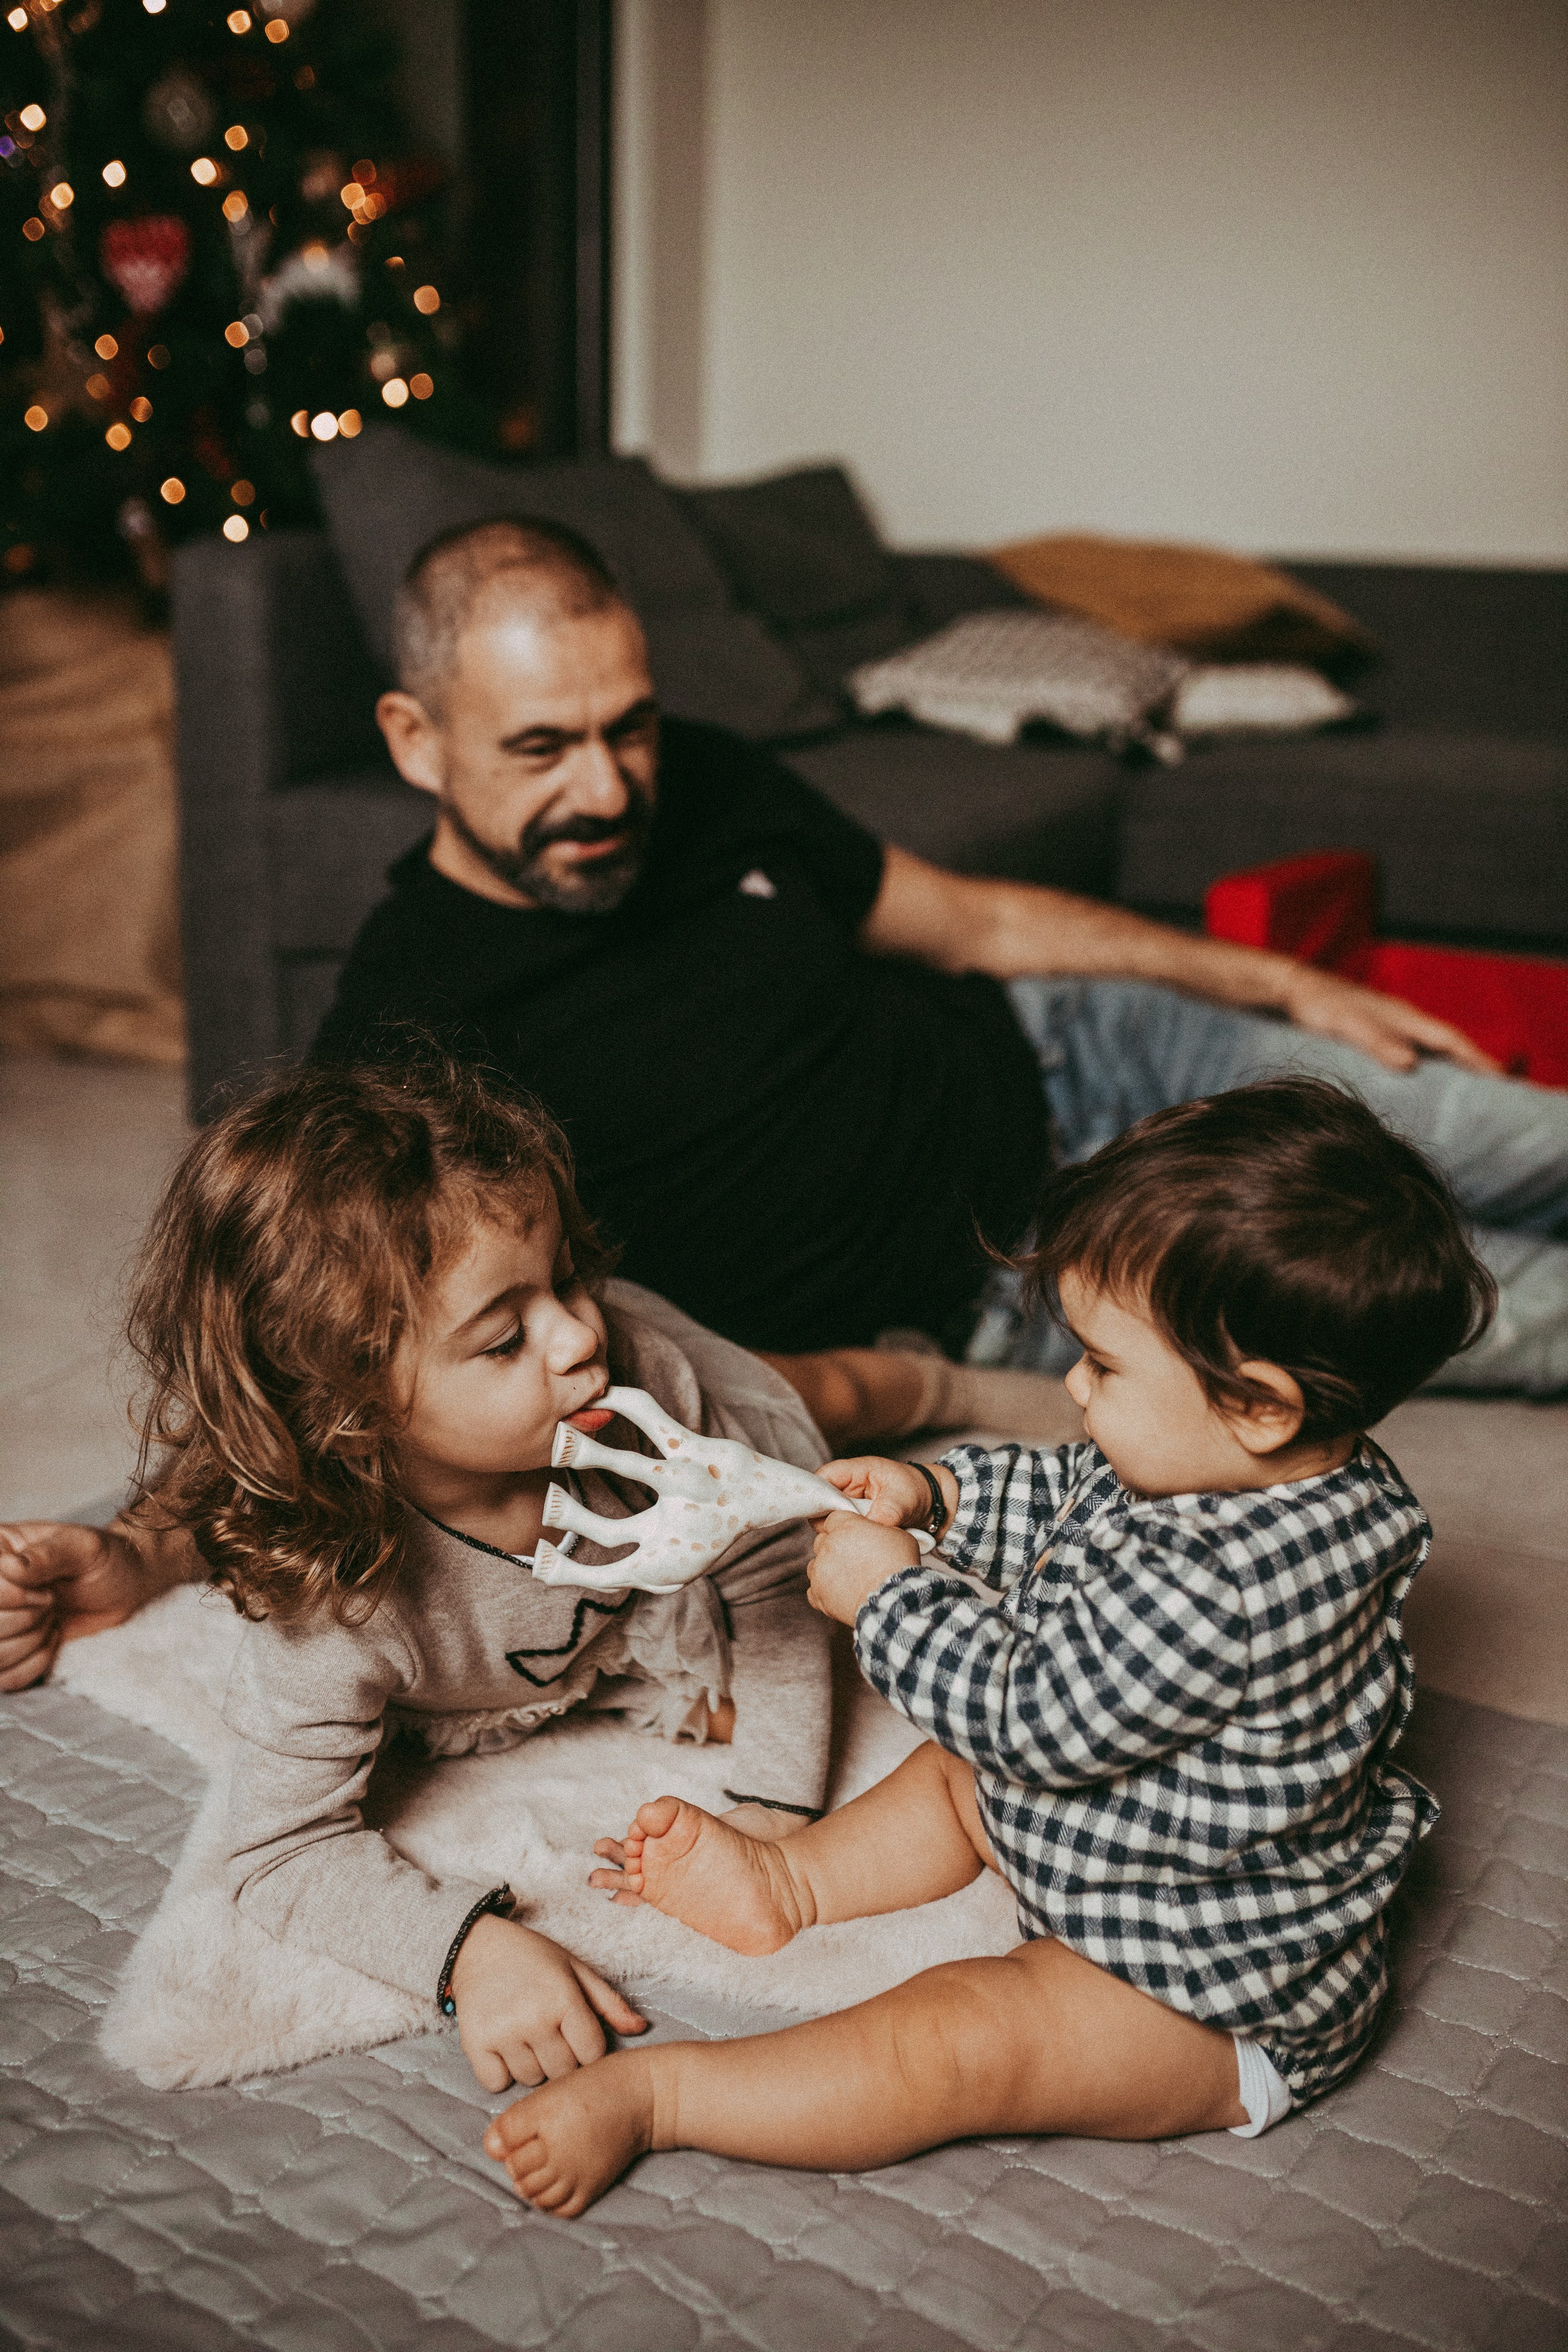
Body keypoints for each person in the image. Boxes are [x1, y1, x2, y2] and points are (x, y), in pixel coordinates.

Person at [483, 1079, 1493, 2215]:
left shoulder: (1245, 1586)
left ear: (1260, 1405)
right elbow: (1072, 1487)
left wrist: (892, 1597)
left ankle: (665, 2099)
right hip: (1113, 1839)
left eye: (1105, 1367)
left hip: (1201, 1991)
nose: (1071, 1385)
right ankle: (789, 1881)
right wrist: (938, 1494)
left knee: (961, 2038)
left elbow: (1033, 1718)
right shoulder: (1228, 1451)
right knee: (956, 1780)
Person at [100, 1049, 833, 2091]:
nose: (582, 1332)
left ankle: (921, 1371)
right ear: (348, 1410)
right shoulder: (335, 1599)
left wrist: (772, 1815)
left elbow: (769, 1580)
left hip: (702, 1457)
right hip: (490, 1623)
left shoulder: (645, 1384)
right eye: (503, 1339)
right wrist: (468, 1952)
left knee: (840, 1407)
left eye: (570, 1275)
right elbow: (279, 1853)